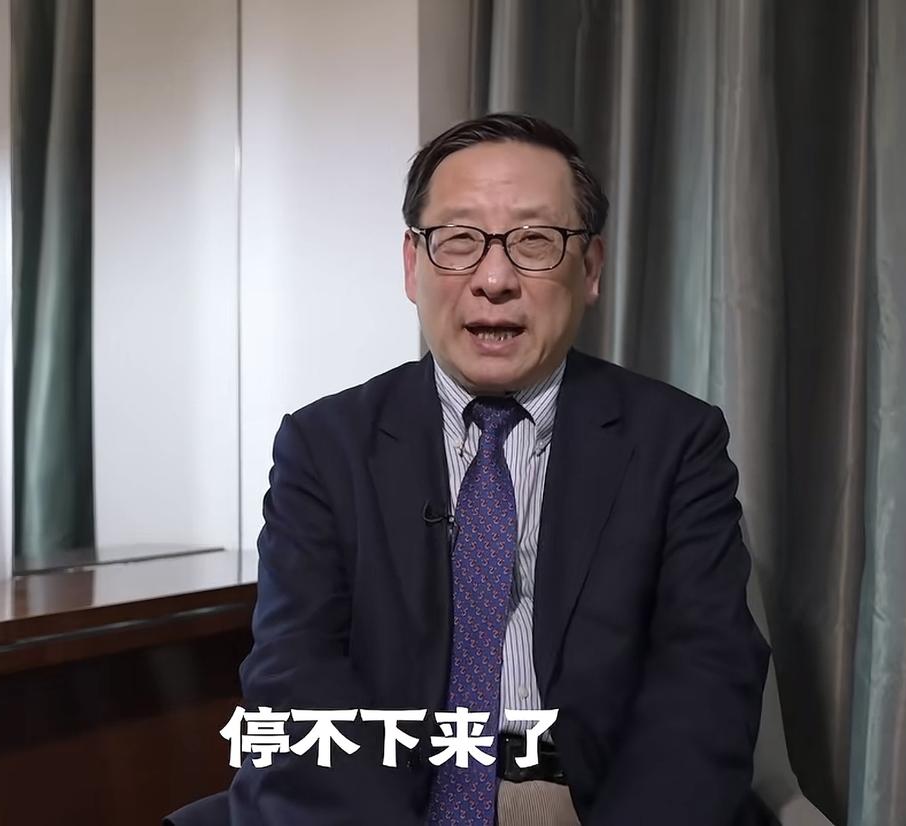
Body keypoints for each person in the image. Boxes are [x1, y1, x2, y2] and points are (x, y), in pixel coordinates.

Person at [217, 112, 770, 825]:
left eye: (536, 241)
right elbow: (296, 682)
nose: (494, 278)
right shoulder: (324, 447)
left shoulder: (676, 442)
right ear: (412, 265)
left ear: (591, 268)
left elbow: (705, 684)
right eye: (459, 241)